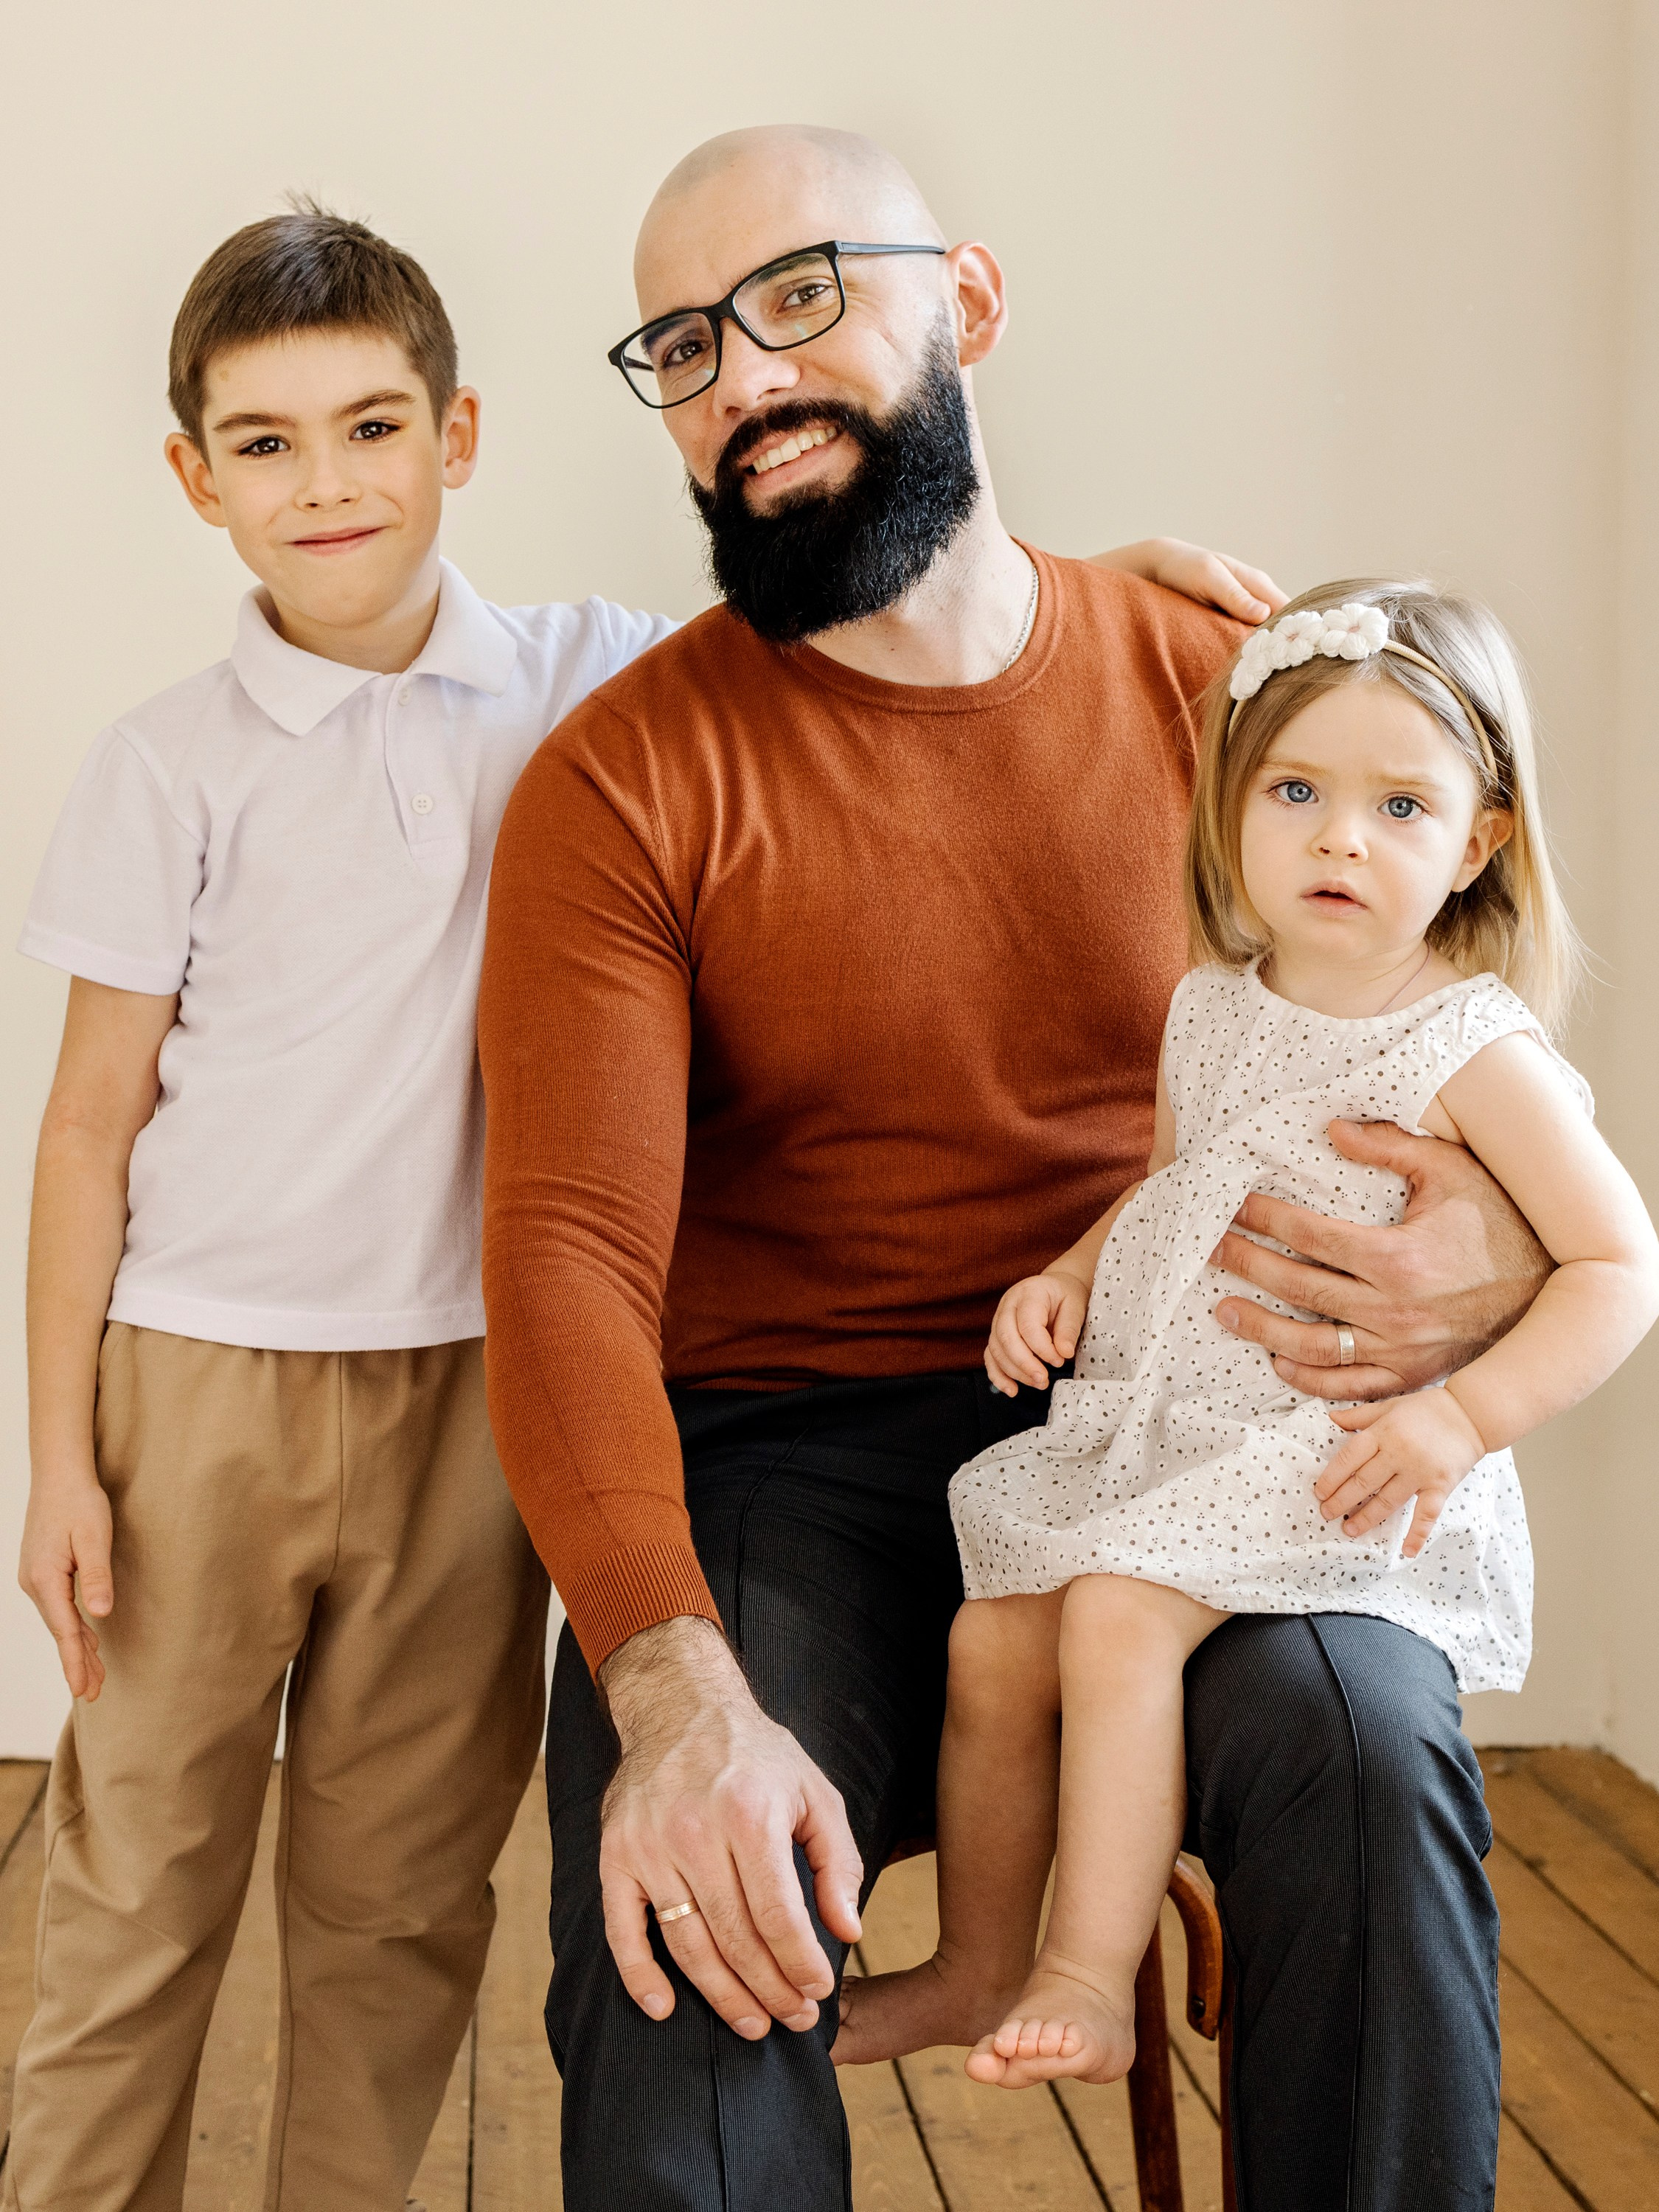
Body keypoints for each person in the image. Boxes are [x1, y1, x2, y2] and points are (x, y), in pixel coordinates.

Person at [6, 198, 1253, 2211]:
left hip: (469, 1411)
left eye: (371, 428)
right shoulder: (168, 767)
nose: (327, 485)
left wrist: (1102, 584)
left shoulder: (579, 678)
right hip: (200, 1395)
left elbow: (898, 605)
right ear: (193, 477)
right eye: (264, 444)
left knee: (396, 1898)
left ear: (462, 438)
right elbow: (83, 1134)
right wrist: (61, 1457)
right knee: (142, 1873)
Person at [479, 127, 1557, 2211]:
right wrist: (669, 1679)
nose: (742, 378)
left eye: (803, 298)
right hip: (794, 1456)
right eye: (686, 343)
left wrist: (1495, 1247)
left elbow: (1456, 1044)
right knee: (689, 1875)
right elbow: (564, 1259)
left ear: (964, 305)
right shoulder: (618, 785)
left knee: (1364, 1747)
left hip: (1196, 1410)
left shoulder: (1225, 696)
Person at [839, 580, 1659, 2093]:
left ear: (1477, 839)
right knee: (995, 1635)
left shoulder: (1466, 1047)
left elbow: (1620, 1264)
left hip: (1334, 1448)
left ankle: (1086, 1977)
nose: (1342, 837)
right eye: (1298, 791)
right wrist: (1072, 1274)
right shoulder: (1214, 1008)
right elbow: (1175, 1186)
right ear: (1232, 812)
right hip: (1175, 1428)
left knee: (1114, 1612)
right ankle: (973, 1965)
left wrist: (1464, 1419)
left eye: (1401, 804)